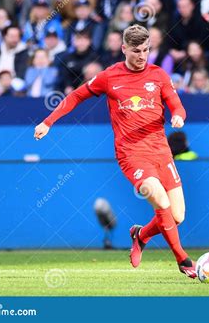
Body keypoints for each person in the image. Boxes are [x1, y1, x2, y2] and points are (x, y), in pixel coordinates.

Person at [34, 24, 197, 278]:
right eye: (136, 51)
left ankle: (140, 235)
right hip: (131, 154)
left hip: (161, 152)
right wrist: (48, 122)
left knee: (177, 216)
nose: (141, 56)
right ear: (123, 49)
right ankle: (183, 259)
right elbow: (76, 96)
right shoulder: (109, 77)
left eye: (145, 50)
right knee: (161, 201)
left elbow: (177, 105)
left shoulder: (159, 75)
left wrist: (177, 116)